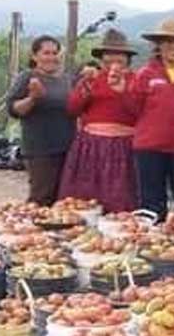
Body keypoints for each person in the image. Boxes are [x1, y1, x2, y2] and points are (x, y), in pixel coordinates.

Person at [126, 18, 174, 222]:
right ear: (158, 45)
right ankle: (150, 249)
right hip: (149, 148)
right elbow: (132, 109)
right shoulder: (144, 74)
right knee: (151, 205)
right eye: (167, 41)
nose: (172, 46)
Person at [57, 29, 140, 213]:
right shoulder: (92, 79)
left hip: (123, 147)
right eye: (108, 59)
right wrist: (84, 89)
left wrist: (123, 92)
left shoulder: (136, 81)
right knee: (85, 196)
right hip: (91, 146)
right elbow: (72, 109)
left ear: (127, 59)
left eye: (119, 59)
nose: (113, 64)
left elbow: (139, 113)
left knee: (120, 197)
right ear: (102, 60)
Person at [7, 35, 75, 205]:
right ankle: (29, 230)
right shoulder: (28, 77)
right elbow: (13, 109)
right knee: (41, 197)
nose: (51, 57)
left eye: (55, 53)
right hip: (40, 150)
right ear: (34, 56)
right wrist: (32, 98)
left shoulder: (66, 80)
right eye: (46, 53)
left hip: (67, 148)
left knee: (63, 199)